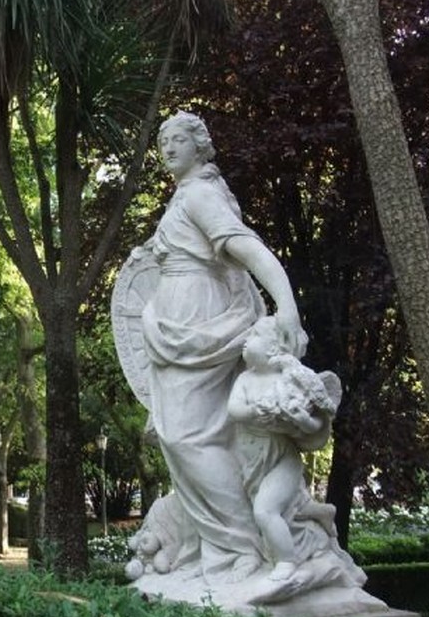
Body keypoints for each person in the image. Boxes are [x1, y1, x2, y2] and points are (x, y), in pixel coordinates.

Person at [131, 110, 308, 583]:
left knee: (189, 437)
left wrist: (286, 305)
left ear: (199, 146)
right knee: (183, 437)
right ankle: (221, 547)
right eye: (163, 140)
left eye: (178, 139)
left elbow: (249, 251)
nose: (167, 148)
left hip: (199, 324)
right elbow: (176, 251)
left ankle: (244, 542)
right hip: (172, 324)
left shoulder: (204, 195)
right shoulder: (182, 198)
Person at [227, 316, 339, 581]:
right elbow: (234, 410)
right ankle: (322, 512)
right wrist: (259, 409)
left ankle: (286, 562)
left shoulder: (291, 380)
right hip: (254, 462)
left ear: (274, 347)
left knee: (266, 510)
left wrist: (299, 418)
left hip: (283, 458)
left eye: (253, 336)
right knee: (285, 507)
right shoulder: (245, 379)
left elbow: (314, 425)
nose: (245, 341)